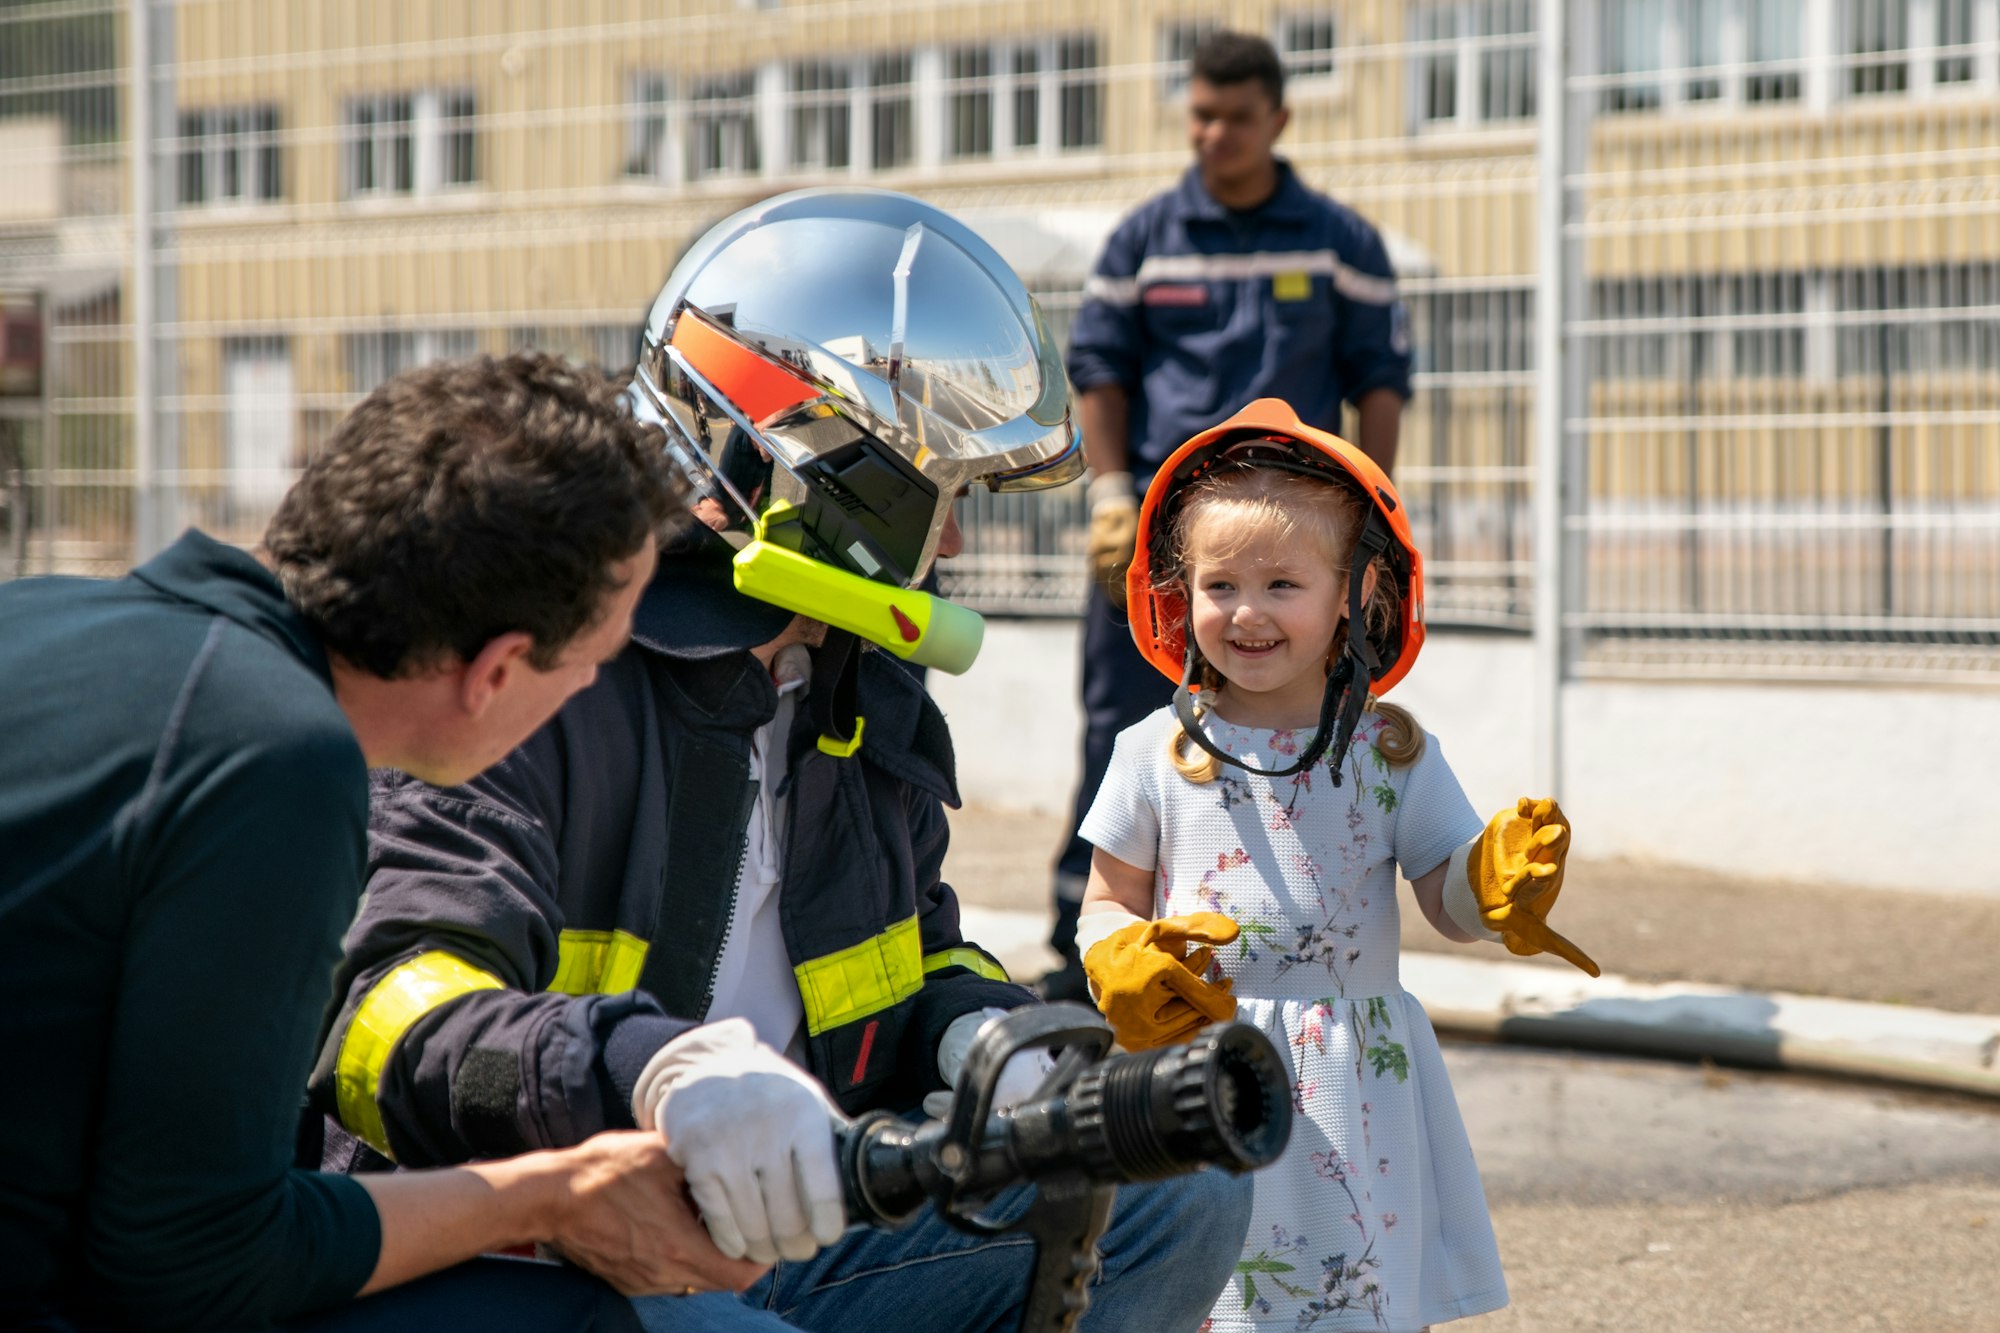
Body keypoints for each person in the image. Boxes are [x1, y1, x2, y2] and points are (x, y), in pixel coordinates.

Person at [308, 189, 1253, 1333]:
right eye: (936, 498)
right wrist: (655, 1072)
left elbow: (909, 958)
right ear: (819, 477)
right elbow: (381, 1019)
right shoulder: (547, 667)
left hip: (794, 1223)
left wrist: (983, 1040)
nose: (950, 543)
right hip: (541, 1247)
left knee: (1178, 1197)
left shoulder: (862, 687)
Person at [0, 352, 769, 1331]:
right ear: (495, 670)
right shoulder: (277, 761)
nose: (587, 691)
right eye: (594, 662)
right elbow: (193, 1262)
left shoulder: (53, 614)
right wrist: (553, 1195)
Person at [1074, 399, 1601, 1332]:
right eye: (1219, 584)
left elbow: (1446, 892)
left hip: (1356, 1081)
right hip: (1200, 1072)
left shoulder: (1389, 752)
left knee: (1355, 1295)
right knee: (1203, 1293)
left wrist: (1492, 883)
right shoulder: (1151, 751)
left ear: (1358, 595)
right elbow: (1106, 901)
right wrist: (1115, 953)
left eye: (1283, 584)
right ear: (1174, 593)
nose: (1246, 611)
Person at [1044, 29, 1416, 1001]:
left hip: (1296, 542)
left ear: (1278, 120)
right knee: (1120, 720)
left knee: (1309, 717)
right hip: (1163, 541)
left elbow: (1380, 381)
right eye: (1199, 115)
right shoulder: (1141, 240)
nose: (1213, 135)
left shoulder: (1339, 243)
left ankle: (1292, 925)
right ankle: (1088, 937)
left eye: (1235, 118)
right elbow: (1098, 371)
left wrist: (1370, 512)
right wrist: (1112, 493)